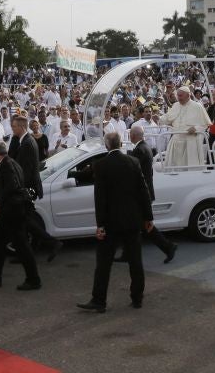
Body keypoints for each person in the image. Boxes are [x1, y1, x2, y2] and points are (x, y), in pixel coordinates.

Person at [77, 132, 154, 313]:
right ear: (120, 144)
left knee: (104, 264)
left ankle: (99, 300)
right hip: (132, 220)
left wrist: (100, 225)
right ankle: (137, 298)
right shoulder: (133, 162)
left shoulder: (101, 166)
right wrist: (148, 217)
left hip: (111, 222)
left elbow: (100, 198)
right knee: (136, 261)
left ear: (107, 146)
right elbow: (143, 191)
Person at [0, 142, 41, 291]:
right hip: (11, 212)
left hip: (13, 212)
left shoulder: (6, 165)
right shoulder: (11, 163)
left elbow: (12, 185)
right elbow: (9, 184)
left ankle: (34, 280)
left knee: (22, 245)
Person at [114, 126, 176, 264]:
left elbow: (130, 170)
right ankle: (128, 253)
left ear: (133, 136)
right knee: (137, 225)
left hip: (140, 196)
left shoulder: (140, 150)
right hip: (142, 194)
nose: (129, 136)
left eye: (130, 134)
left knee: (141, 226)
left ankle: (168, 247)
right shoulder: (144, 147)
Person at [8, 115, 61, 261]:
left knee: (27, 221)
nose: (12, 129)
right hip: (27, 188)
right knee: (26, 222)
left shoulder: (27, 143)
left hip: (27, 189)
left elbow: (23, 170)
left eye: (14, 127)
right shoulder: (24, 141)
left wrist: (18, 189)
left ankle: (51, 243)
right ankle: (30, 250)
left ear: (21, 127)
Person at [160, 86, 211, 167]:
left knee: (190, 166)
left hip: (191, 141)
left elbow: (205, 124)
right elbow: (168, 118)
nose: (178, 98)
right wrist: (159, 119)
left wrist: (196, 128)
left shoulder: (197, 106)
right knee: (175, 167)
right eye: (178, 95)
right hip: (176, 139)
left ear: (188, 95)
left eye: (180, 96)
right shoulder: (176, 105)